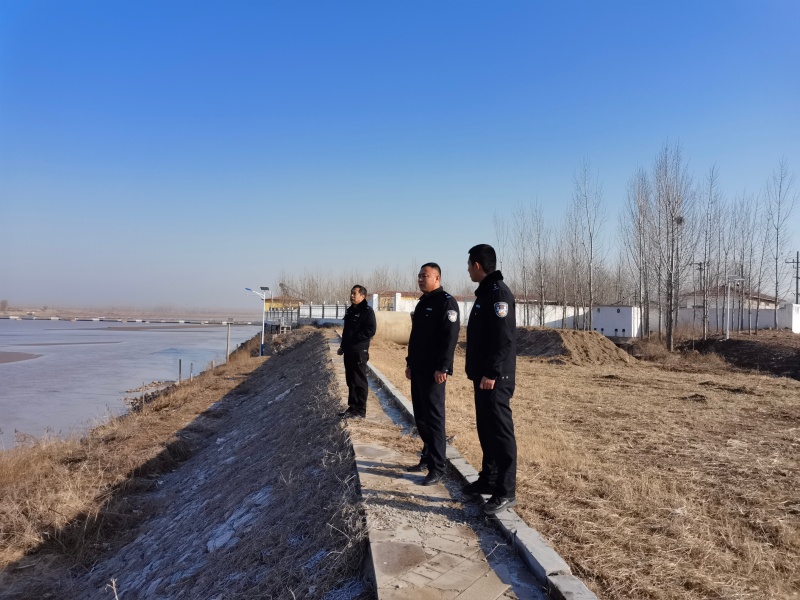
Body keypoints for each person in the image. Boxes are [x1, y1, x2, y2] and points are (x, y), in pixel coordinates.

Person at [464, 244, 518, 514]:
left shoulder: (498, 294)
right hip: (484, 376)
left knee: (500, 432)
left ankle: (505, 491)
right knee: (486, 429)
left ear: (477, 265)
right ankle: (489, 478)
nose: (467, 270)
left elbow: (503, 338)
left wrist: (492, 372)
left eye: (469, 265)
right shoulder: (485, 293)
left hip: (495, 377)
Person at [405, 263, 460, 486]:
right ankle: (427, 458)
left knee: (434, 419)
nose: (420, 279)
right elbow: (416, 337)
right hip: (418, 368)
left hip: (434, 371)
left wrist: (443, 367)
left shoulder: (446, 302)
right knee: (421, 417)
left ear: (437, 278)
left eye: (424, 275)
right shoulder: (422, 303)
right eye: (419, 275)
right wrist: (410, 363)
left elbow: (450, 337)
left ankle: (438, 467)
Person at [338, 285, 377, 419]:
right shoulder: (350, 311)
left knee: (359, 380)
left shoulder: (367, 311)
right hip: (349, 350)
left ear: (362, 296)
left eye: (355, 293)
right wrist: (343, 346)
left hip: (359, 350)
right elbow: (346, 331)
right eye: (351, 293)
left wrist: (355, 339)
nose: (352, 296)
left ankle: (360, 410)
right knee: (350, 379)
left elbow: (371, 330)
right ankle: (352, 407)